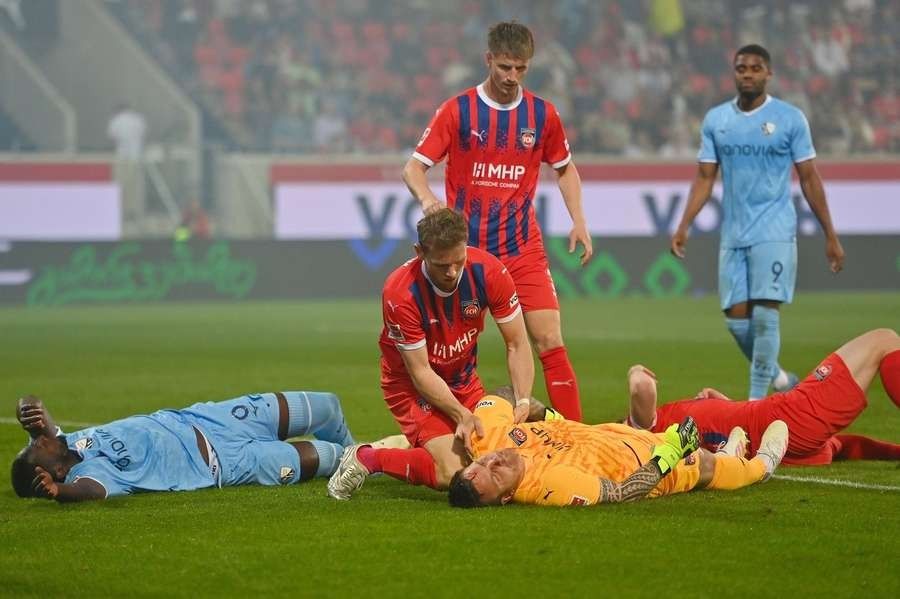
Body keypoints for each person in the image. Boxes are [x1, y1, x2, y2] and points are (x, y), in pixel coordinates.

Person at [402, 21, 591, 421]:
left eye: (521, 68)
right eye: (505, 67)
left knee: (549, 339)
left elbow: (565, 168)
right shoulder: (458, 110)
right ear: (488, 59)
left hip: (522, 249)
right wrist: (429, 200)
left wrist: (579, 220)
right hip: (466, 256)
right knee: (446, 354)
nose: (512, 76)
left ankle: (577, 436)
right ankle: (441, 430)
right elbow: (413, 169)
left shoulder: (542, 114)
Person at [670, 44, 845, 400]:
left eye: (755, 68)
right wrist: (684, 224)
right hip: (734, 233)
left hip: (775, 230)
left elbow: (809, 178)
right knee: (736, 321)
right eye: (741, 68)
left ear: (768, 73)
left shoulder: (790, 118)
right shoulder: (717, 120)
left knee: (765, 315)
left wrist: (830, 234)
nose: (748, 74)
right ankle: (780, 378)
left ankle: (756, 403)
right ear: (734, 73)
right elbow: (705, 177)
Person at [327, 208, 534, 500]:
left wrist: (523, 399)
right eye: (441, 265)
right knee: (456, 472)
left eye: (459, 261)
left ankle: (412, 443)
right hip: (411, 387)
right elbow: (421, 372)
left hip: (463, 380)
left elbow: (517, 343)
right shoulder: (400, 293)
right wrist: (461, 414)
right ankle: (366, 457)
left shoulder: (490, 272)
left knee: (502, 456)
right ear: (420, 252)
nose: (452, 272)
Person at [11, 389, 363, 502]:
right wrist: (60, 493)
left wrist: (28, 407)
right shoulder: (91, 473)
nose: (38, 439)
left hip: (213, 418)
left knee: (327, 406)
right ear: (57, 472)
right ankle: (365, 461)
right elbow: (90, 492)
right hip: (230, 463)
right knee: (333, 457)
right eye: (35, 447)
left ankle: (363, 460)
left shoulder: (68, 442)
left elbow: (38, 414)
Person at [626, 328, 900, 466]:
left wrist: (722, 404)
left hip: (783, 436)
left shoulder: (679, 437)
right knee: (884, 339)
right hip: (784, 415)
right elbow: (642, 388)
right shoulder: (646, 429)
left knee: (834, 444)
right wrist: (635, 370)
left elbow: (846, 447)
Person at [446, 398, 788, 508]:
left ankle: (730, 451)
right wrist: (670, 454)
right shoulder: (552, 486)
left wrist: (530, 405)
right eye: (496, 475)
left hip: (617, 434)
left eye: (484, 463)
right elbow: (623, 493)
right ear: (507, 497)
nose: (495, 461)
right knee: (708, 465)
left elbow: (502, 394)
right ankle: (763, 463)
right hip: (652, 463)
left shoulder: (487, 439)